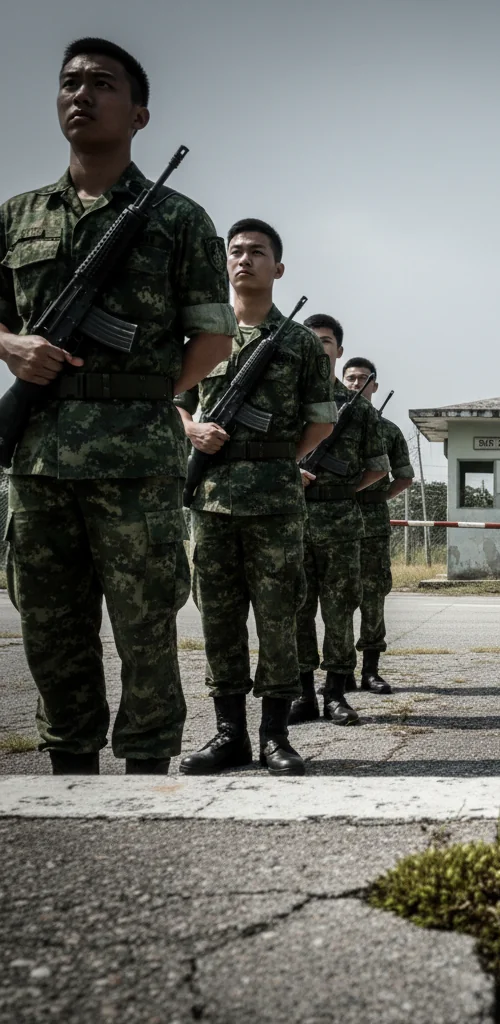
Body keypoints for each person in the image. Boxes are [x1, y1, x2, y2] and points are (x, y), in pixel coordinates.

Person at [0, 39, 234, 776]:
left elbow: (213, 339)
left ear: (138, 114)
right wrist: (11, 347)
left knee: (145, 629)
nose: (81, 94)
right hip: (39, 456)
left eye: (102, 83)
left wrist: (142, 392)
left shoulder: (177, 218)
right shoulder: (18, 216)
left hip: (136, 461)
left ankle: (145, 777)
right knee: (50, 628)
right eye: (70, 82)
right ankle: (70, 770)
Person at [176, 220, 337, 776]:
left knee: (277, 617)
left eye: (258, 252)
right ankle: (229, 735)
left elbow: (322, 420)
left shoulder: (299, 342)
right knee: (219, 618)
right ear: (225, 263)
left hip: (274, 503)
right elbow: (173, 400)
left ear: (278, 268)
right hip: (212, 499)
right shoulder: (203, 333)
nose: (245, 259)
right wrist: (192, 430)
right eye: (236, 251)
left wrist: (277, 457)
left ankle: (274, 736)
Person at [290, 350, 389, 725]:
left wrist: (343, 490)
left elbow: (378, 468)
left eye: (327, 341)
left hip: (341, 525)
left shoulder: (360, 410)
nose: (320, 348)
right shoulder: (289, 397)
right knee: (298, 611)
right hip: (295, 520)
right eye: (314, 341)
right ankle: (303, 694)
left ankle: (334, 693)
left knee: (339, 611)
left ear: (338, 349)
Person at [353, 363, 415, 694]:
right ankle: (338, 672)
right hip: (326, 521)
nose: (355, 384)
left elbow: (404, 476)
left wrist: (376, 496)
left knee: (373, 595)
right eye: (350, 378)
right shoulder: (325, 425)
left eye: (363, 379)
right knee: (330, 598)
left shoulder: (387, 430)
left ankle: (370, 670)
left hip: (371, 524)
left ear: (374, 386)